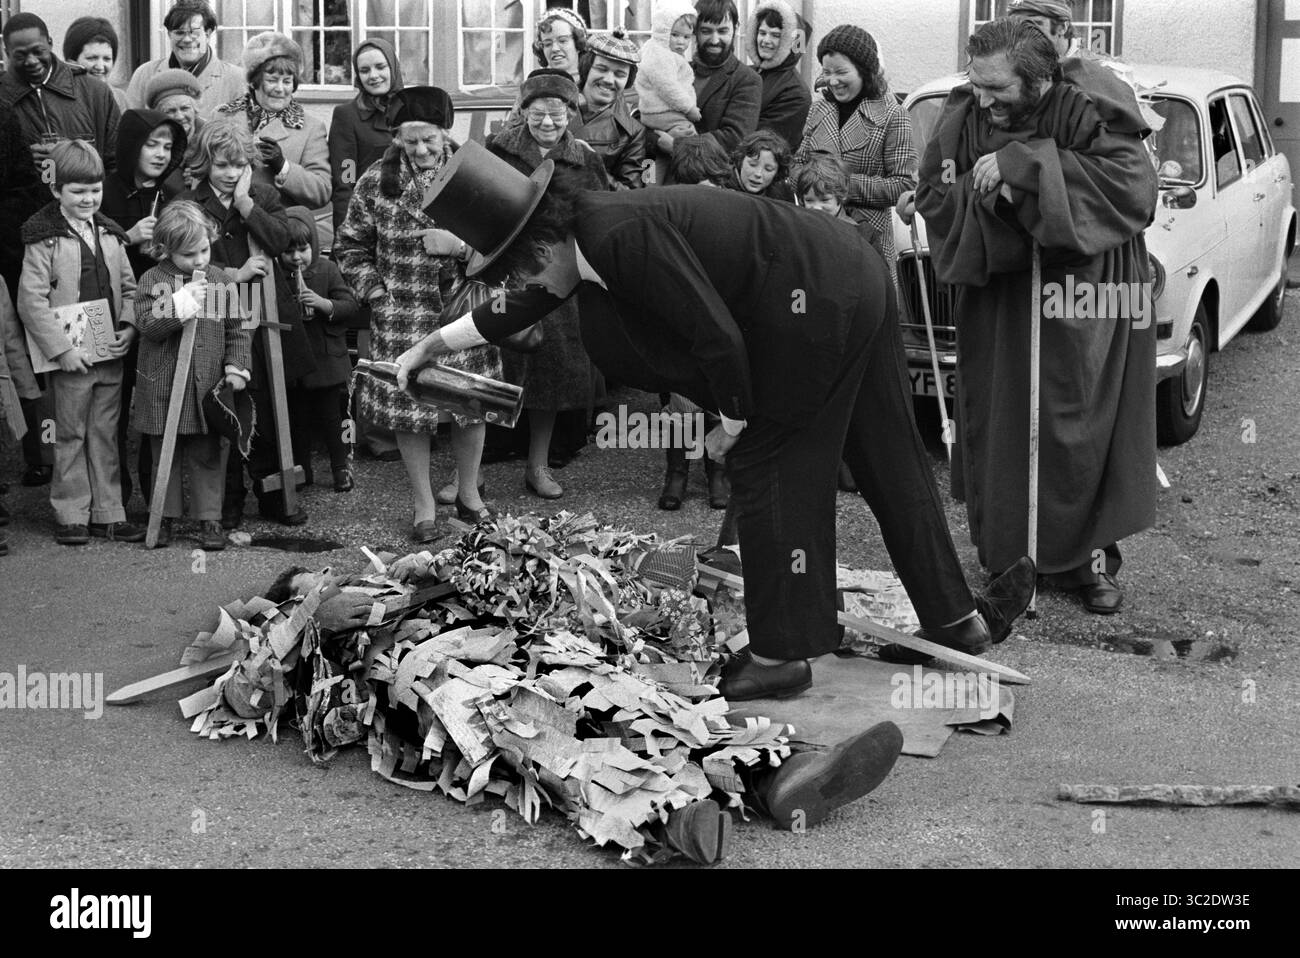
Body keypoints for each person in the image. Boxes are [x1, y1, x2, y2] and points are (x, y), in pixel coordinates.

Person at [407, 141, 1038, 698]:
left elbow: (717, 339)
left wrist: (731, 424)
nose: (516, 282)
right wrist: (435, 345)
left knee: (769, 466)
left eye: (513, 266)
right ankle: (957, 621)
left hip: (812, 300)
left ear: (538, 242)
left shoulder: (618, 237)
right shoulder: (587, 234)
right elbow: (530, 298)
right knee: (888, 452)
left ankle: (779, 657)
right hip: (846, 270)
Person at [910, 18, 1157, 615]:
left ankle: (1084, 563)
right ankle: (1005, 560)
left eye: (998, 88)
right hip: (1001, 296)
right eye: (978, 83)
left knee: (1078, 423)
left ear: (1040, 80)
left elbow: (1132, 188)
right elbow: (936, 195)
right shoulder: (965, 112)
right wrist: (989, 197)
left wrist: (1027, 166)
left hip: (1085, 296)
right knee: (1002, 420)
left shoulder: (1088, 104)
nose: (984, 99)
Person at [333, 87, 497, 543]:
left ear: (447, 132)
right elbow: (349, 244)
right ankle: (424, 505)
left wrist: (460, 245)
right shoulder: (374, 181)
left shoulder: (476, 174)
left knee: (471, 403)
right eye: (410, 141)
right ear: (396, 138)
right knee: (411, 410)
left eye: (429, 139)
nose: (421, 150)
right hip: (401, 312)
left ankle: (469, 495)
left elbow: (505, 242)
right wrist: (375, 292)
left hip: (463, 308)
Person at [176, 120, 314, 528]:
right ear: (205, 163)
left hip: (268, 318)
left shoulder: (262, 193)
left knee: (269, 408)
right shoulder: (189, 201)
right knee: (226, 404)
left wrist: (245, 205)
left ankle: (275, 495)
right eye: (222, 165)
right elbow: (181, 258)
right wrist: (233, 274)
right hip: (218, 315)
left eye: (238, 164)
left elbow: (281, 241)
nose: (231, 173)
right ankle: (228, 502)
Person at [485, 70, 609, 502]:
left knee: (549, 377)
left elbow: (600, 217)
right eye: (538, 114)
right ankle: (469, 474)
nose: (548, 123)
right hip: (507, 273)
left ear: (570, 113)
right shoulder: (497, 151)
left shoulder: (587, 159)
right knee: (491, 373)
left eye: (556, 115)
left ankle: (538, 466)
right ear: (522, 113)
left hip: (559, 280)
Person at [18, 140, 142, 545]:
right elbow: (30, 301)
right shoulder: (43, 239)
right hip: (70, 358)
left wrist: (128, 326)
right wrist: (62, 350)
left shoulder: (110, 234)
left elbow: (130, 287)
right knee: (69, 433)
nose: (88, 198)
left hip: (108, 352)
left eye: (95, 189)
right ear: (56, 190)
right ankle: (71, 511)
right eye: (78, 191)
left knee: (105, 433)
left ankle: (108, 511)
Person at [131, 200, 251, 550]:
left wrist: (236, 366)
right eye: (188, 255)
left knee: (208, 454)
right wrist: (181, 302)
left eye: (203, 250)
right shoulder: (153, 280)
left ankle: (208, 518)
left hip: (206, 388)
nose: (199, 260)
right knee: (163, 456)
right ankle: (162, 516)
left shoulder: (220, 280)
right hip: (163, 388)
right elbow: (150, 325)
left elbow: (238, 328)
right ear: (166, 249)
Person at [100, 108, 189, 509]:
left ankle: (156, 501)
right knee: (111, 410)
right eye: (151, 144)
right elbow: (81, 253)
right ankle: (112, 500)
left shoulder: (171, 194)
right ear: (131, 144)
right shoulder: (103, 189)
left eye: (168, 146)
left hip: (156, 312)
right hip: (110, 310)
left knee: (154, 404)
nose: (160, 154)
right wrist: (125, 236)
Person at [793, 24, 914, 289]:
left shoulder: (894, 114)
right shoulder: (819, 108)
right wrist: (810, 185)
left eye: (841, 72)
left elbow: (904, 185)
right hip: (817, 233)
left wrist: (839, 186)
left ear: (864, 70)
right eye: (827, 72)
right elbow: (797, 164)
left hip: (867, 239)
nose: (833, 80)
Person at [216, 32, 333, 249]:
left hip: (276, 240)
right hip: (222, 234)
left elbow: (322, 191)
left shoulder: (310, 128)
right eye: (272, 80)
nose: (280, 88)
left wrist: (284, 167)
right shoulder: (223, 116)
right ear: (255, 82)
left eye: (287, 81)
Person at [280, 205, 360, 494]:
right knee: (298, 421)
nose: (296, 257)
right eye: (289, 252)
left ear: (313, 244)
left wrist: (323, 304)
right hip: (296, 366)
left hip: (326, 361)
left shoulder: (327, 269)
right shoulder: (277, 277)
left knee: (333, 419)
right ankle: (302, 470)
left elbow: (350, 306)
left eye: (302, 249)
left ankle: (341, 468)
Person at [0, 100, 52, 489]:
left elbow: (23, 183)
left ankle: (40, 455)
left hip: (9, 255)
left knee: (22, 363)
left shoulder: (3, 114)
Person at [0, 13, 121, 172]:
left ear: (50, 44)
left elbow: (117, 163)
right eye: (20, 55)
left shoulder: (95, 93)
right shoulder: (3, 100)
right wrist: (21, 159)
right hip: (26, 196)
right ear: (7, 53)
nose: (32, 61)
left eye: (38, 51)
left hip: (87, 197)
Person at [653, 0, 760, 164]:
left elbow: (734, 139)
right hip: (658, 169)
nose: (715, 40)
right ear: (695, 31)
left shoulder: (747, 80)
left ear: (735, 29)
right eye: (706, 31)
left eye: (722, 31)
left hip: (708, 179)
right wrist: (657, 139)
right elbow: (648, 118)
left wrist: (678, 145)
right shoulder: (676, 70)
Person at [125, 0, 246, 117]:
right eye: (179, 33)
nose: (187, 39)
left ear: (208, 34)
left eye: (194, 32)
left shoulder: (236, 80)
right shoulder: (144, 74)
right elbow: (130, 131)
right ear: (169, 34)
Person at [570, 31, 646, 191]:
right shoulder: (551, 104)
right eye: (601, 69)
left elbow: (631, 195)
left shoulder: (632, 132)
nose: (609, 80)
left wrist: (592, 165)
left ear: (628, 80)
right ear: (586, 68)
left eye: (620, 74)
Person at [744, 0, 812, 153]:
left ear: (790, 40)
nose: (766, 41)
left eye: (775, 35)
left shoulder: (796, 93)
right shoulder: (747, 73)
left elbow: (764, 145)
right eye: (762, 33)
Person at [635, 2, 701, 140]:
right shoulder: (661, 55)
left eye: (686, 37)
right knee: (688, 135)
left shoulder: (657, 49)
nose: (681, 42)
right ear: (662, 32)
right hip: (661, 111)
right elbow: (668, 87)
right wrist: (689, 108)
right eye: (675, 35)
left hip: (660, 110)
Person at [143, 68, 205, 188]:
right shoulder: (148, 141)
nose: (179, 116)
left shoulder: (211, 137)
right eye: (170, 111)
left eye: (185, 108)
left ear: (195, 109)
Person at [62, 16, 129, 113]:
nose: (100, 66)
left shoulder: (119, 98)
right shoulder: (58, 100)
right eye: (92, 58)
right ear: (71, 62)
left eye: (107, 59)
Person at [726, 128, 794, 201]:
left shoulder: (782, 197)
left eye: (768, 169)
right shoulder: (720, 185)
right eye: (752, 165)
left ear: (777, 173)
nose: (758, 174)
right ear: (740, 161)